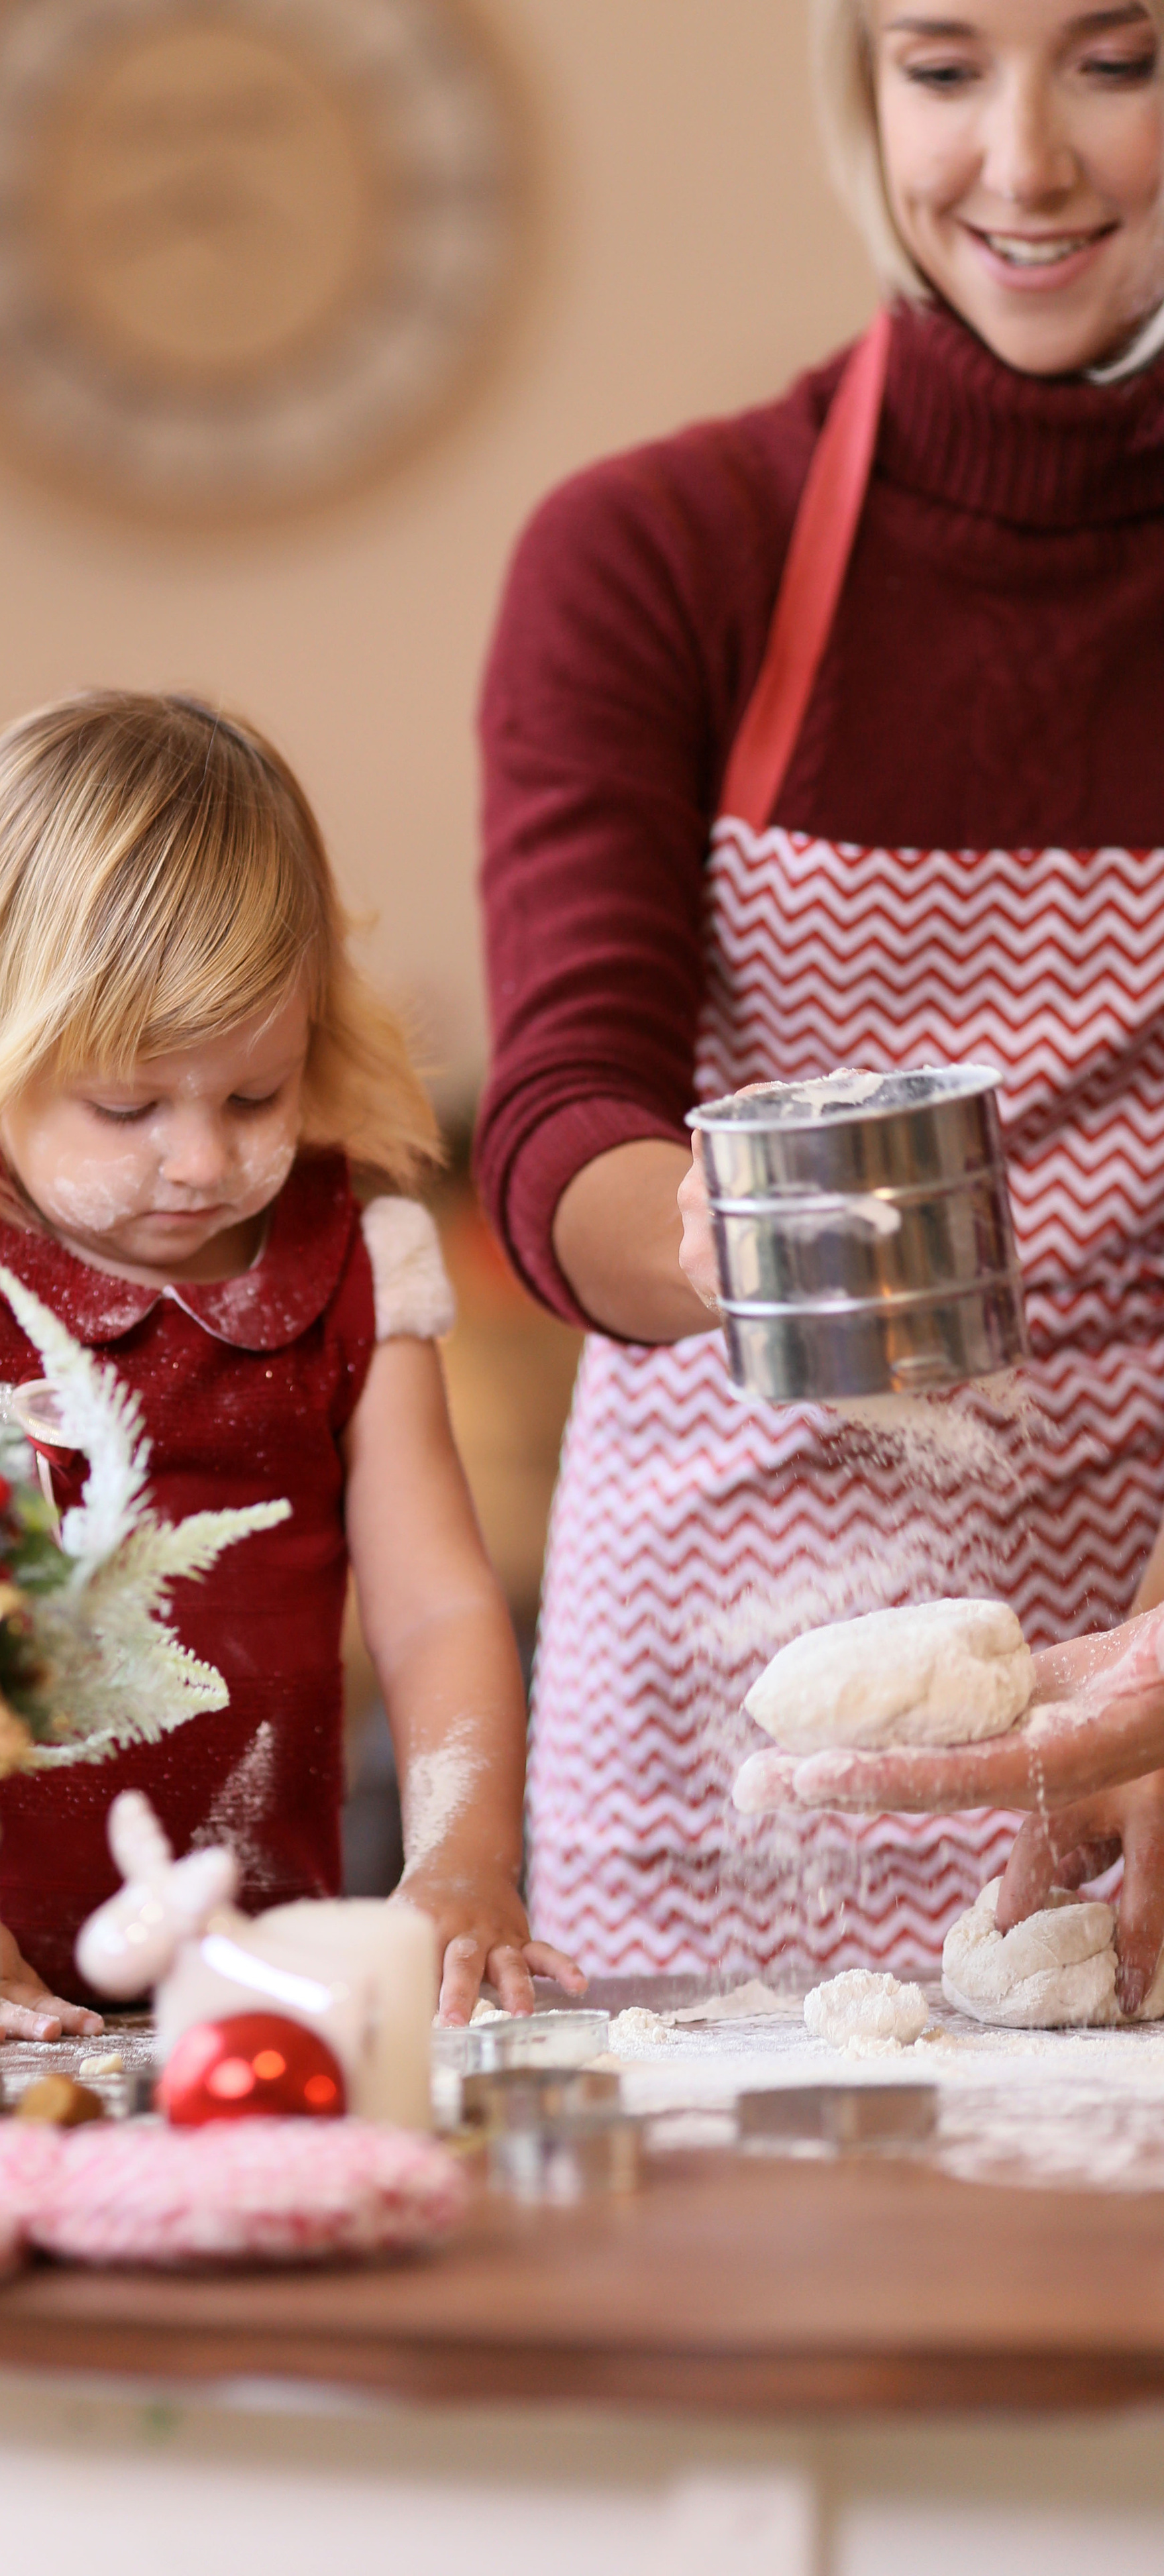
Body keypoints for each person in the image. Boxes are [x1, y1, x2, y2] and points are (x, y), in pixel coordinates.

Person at [475, 0, 1164, 1986]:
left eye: (1116, 61)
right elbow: (560, 1117)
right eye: (941, 69)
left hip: (1138, 1664)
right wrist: (738, 1239)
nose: (1020, 163)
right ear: (859, 90)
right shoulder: (654, 552)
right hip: (721, 1700)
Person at [0, 690, 582, 2035]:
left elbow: (437, 1609)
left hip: (259, 1970)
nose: (202, 1160)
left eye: (253, 1096)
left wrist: (462, 1858)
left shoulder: (355, 1267)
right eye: (127, 1106)